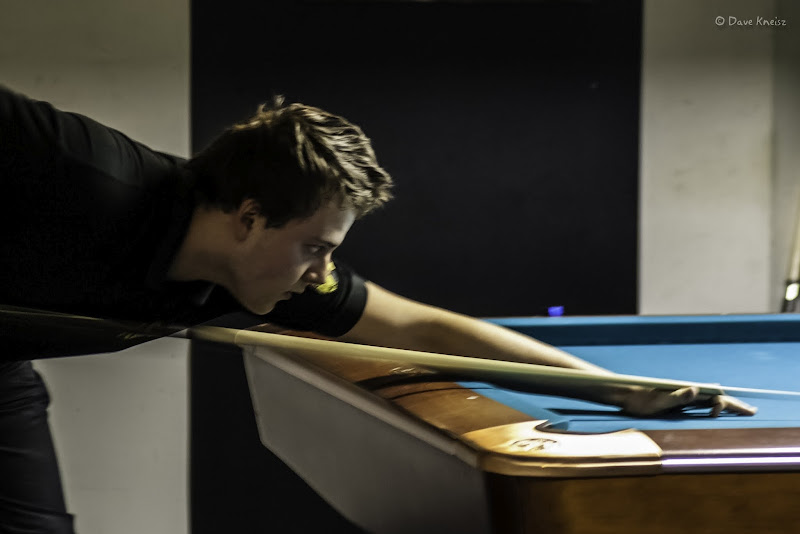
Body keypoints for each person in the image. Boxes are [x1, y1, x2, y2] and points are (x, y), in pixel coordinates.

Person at [0, 84, 755, 533]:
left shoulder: (278, 275)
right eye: (314, 247)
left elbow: (418, 328)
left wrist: (612, 389)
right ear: (249, 217)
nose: (322, 273)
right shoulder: (82, 170)